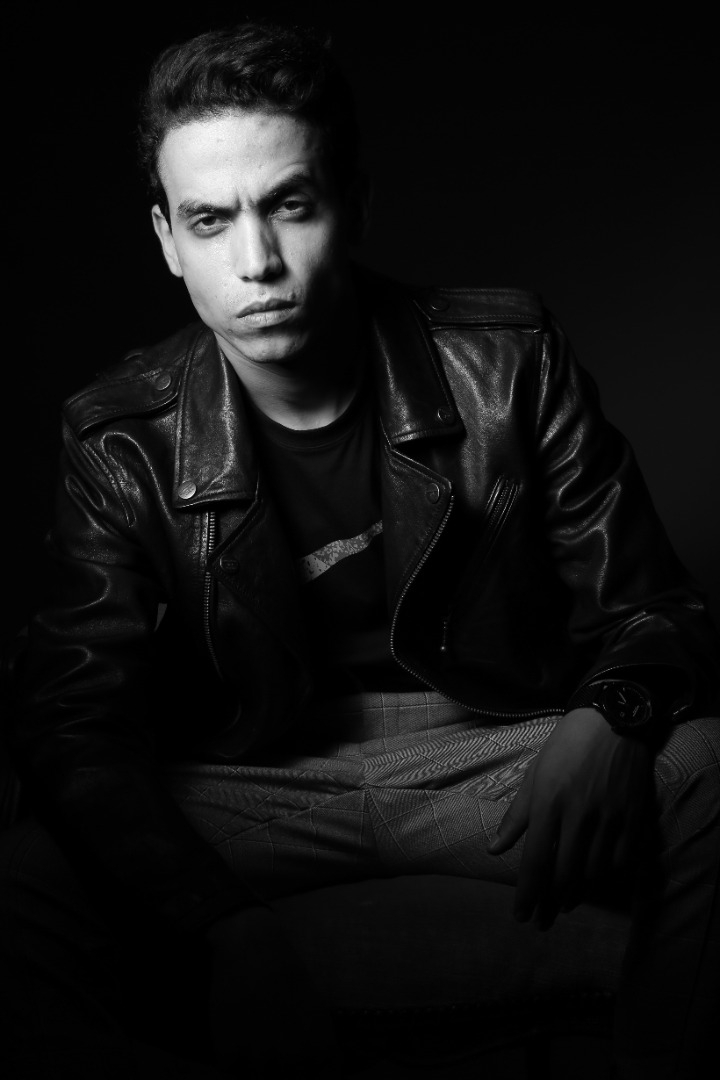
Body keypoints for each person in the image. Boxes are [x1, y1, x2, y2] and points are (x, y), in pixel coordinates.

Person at [2, 19, 719, 1080]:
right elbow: (72, 717)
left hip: (480, 748)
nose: (257, 262)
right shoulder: (122, 435)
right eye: (211, 220)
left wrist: (607, 715)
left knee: (706, 769)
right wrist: (223, 925)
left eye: (290, 205)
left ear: (354, 203)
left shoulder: (506, 362)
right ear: (167, 239)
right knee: (29, 873)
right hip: (252, 773)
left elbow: (658, 611)